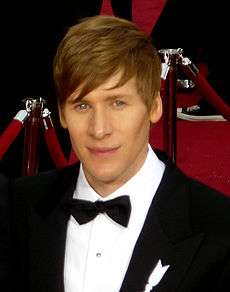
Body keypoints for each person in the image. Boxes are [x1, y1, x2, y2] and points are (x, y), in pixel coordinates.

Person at [2, 15, 230, 292]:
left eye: (118, 103)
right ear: (62, 113)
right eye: (82, 106)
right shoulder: (18, 206)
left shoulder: (218, 227)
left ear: (154, 106)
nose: (99, 130)